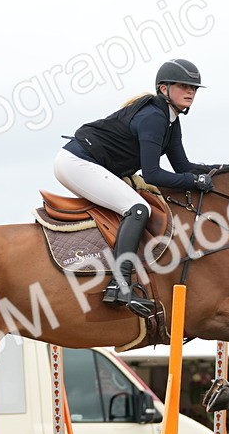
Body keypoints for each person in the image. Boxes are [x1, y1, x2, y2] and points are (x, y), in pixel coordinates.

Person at [54, 58, 220, 317]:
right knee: (139, 208)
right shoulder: (154, 117)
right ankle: (119, 284)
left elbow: (182, 166)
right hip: (77, 163)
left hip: (90, 164)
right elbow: (152, 174)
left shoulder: (170, 120)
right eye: (183, 86)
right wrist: (195, 182)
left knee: (136, 205)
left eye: (194, 88)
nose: (191, 92)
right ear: (164, 89)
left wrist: (220, 171)